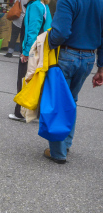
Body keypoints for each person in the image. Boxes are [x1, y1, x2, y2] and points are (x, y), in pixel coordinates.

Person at [43, 0, 103, 164]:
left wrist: (46, 44)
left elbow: (60, 32)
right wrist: (101, 67)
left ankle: (58, 152)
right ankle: (66, 144)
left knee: (59, 102)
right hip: (88, 58)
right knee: (72, 100)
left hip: (67, 55)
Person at [8, 0, 52, 122]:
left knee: (24, 79)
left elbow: (32, 30)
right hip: (42, 47)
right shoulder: (44, 5)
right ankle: (37, 113)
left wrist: (26, 52)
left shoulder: (34, 6)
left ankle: (21, 112)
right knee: (37, 80)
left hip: (33, 48)